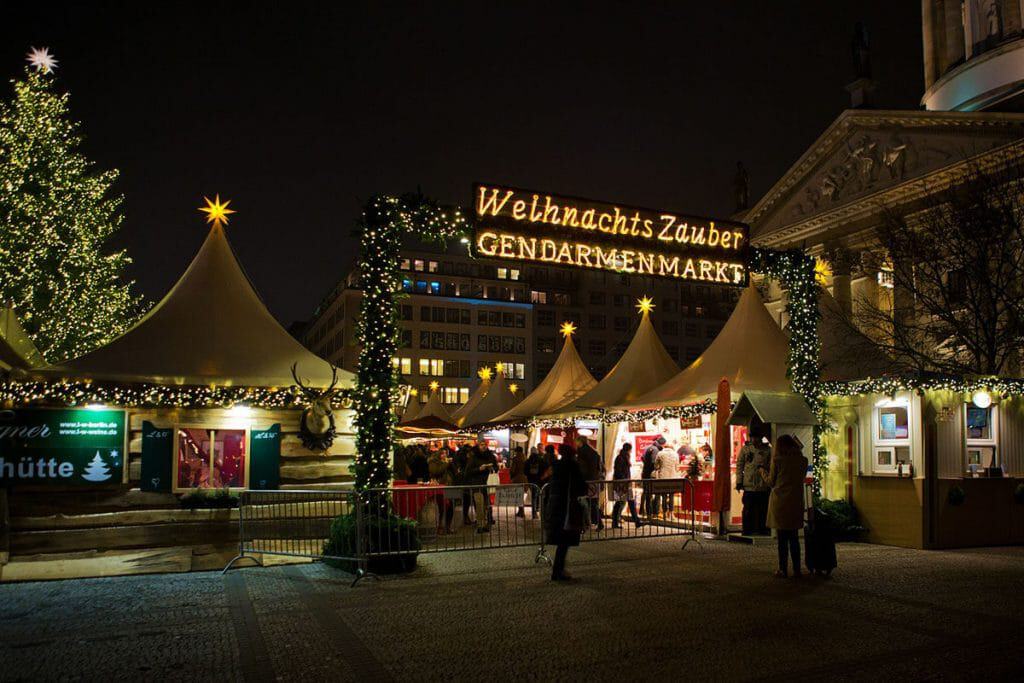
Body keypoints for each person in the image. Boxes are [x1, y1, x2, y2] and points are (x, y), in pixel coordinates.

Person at [762, 434, 809, 578]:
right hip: (795, 501)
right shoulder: (802, 461)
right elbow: (800, 478)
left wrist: (762, 472)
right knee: (794, 538)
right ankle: (797, 570)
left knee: (782, 539)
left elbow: (771, 482)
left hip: (780, 502)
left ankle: (782, 569)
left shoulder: (777, 461)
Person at [544, 443, 587, 581]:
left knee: (562, 541)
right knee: (565, 540)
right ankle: (558, 571)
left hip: (556, 506)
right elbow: (580, 486)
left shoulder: (556, 466)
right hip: (567, 506)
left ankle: (558, 569)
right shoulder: (572, 466)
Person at [736, 432, 771, 535]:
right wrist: (739, 482)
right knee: (748, 509)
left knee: (762, 509)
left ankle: (762, 529)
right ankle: (747, 530)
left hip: (762, 485)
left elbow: (771, 465)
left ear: (761, 438)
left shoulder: (767, 450)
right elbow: (740, 465)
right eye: (752, 438)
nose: (754, 440)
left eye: (756, 437)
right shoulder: (746, 449)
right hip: (749, 485)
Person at [467, 437, 498, 533]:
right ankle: (480, 525)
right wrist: (479, 469)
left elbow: (496, 467)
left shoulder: (491, 456)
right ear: (478, 445)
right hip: (477, 485)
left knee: (486, 505)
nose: (484, 446)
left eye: (485, 444)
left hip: (487, 484)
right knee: (479, 505)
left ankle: (485, 523)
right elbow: (467, 471)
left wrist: (492, 468)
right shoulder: (473, 457)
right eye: (481, 444)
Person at [575, 435, 605, 531]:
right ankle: (597, 522)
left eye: (576, 441)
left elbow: (582, 467)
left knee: (583, 503)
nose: (576, 443)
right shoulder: (593, 451)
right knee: (593, 503)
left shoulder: (582, 451)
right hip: (594, 480)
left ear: (580, 441)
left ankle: (585, 525)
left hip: (586, 480)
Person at [611, 443, 643, 529]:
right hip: (622, 484)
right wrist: (624, 480)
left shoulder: (622, 457)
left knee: (626, 502)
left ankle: (636, 521)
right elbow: (619, 471)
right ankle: (635, 521)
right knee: (621, 502)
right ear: (629, 449)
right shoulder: (621, 458)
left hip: (625, 483)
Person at [429, 447, 455, 533]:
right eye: (443, 453)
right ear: (438, 454)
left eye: (446, 453)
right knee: (442, 507)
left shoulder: (446, 462)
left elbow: (454, 472)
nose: (444, 455)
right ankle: (440, 527)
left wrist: (451, 464)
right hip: (440, 487)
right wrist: (446, 464)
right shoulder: (433, 461)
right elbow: (436, 472)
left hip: (449, 486)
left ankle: (448, 527)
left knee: (451, 507)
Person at [654, 440, 682, 519]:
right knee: (671, 495)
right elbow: (677, 467)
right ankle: (671, 514)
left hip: (663, 477)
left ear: (664, 447)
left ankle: (664, 513)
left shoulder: (660, 453)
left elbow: (656, 466)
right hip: (673, 477)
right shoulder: (675, 454)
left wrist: (660, 467)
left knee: (664, 495)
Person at [640, 436, 664, 515]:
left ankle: (642, 510)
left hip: (645, 473)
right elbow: (654, 463)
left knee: (646, 492)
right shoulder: (656, 450)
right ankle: (652, 512)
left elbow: (642, 458)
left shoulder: (647, 448)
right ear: (661, 444)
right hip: (651, 474)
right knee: (653, 493)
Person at [453, 444, 474, 526]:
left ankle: (465, 517)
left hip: (461, 480)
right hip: (466, 480)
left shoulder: (458, 455)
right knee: (467, 499)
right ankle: (465, 518)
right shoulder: (465, 457)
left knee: (466, 499)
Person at [525, 445, 548, 518]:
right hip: (539, 480)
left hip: (531, 481)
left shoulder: (528, 461)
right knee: (540, 495)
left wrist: (529, 476)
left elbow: (525, 471)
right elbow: (545, 468)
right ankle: (539, 510)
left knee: (533, 496)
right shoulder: (541, 460)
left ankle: (534, 513)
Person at [508, 446, 528, 518]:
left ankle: (521, 512)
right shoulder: (525, 458)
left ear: (517, 451)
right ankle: (520, 511)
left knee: (518, 496)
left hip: (517, 478)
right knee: (521, 496)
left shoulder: (516, 459)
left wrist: (510, 474)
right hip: (525, 479)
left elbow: (513, 470)